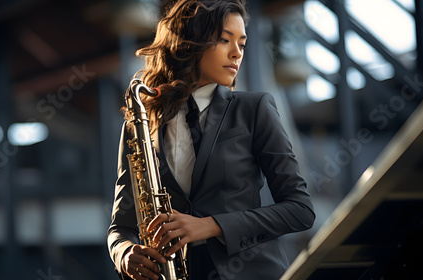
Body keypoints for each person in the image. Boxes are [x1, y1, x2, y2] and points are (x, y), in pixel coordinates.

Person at [107, 0, 315, 279]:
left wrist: (212, 225)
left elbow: (300, 209)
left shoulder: (254, 109)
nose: (236, 53)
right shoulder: (141, 123)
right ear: (189, 42)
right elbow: (120, 227)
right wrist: (124, 254)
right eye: (224, 40)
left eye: (241, 43)